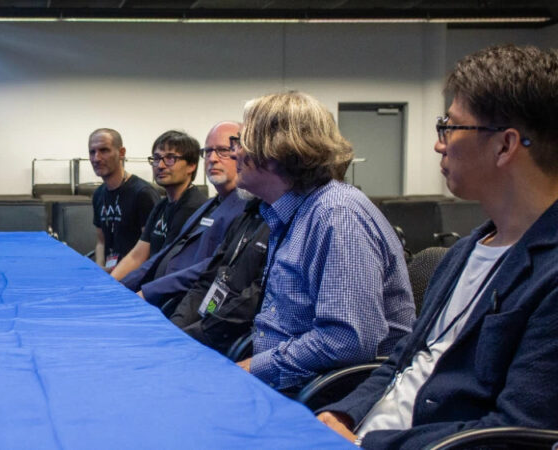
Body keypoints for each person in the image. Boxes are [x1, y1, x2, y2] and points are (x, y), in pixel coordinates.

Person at [317, 44, 558, 449]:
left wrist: (370, 443)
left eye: (450, 127)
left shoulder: (550, 275)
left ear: (505, 145)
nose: (439, 144)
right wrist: (343, 413)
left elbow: (515, 433)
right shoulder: (463, 252)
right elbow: (401, 363)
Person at [230, 91, 415, 391]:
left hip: (321, 394)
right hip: (289, 382)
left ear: (278, 149)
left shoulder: (337, 215)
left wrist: (254, 367)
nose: (235, 154)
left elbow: (347, 341)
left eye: (242, 142)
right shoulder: (294, 212)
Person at [120, 122, 248, 304]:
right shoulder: (211, 205)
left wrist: (147, 293)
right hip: (161, 295)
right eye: (209, 151)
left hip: (184, 302)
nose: (212, 159)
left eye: (223, 151)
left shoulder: (245, 210)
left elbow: (212, 268)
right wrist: (121, 286)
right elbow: (166, 254)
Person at [167, 196, 269, 354]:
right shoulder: (245, 217)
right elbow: (206, 281)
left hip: (233, 340)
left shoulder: (281, 223)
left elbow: (253, 301)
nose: (239, 169)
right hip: (206, 323)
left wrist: (192, 335)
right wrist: (175, 328)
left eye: (246, 168)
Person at [110, 130, 207, 280]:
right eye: (156, 158)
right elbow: (137, 256)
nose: (160, 165)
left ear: (191, 166)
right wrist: (110, 283)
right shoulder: (162, 204)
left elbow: (164, 264)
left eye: (170, 158)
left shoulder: (193, 207)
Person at [89, 128, 160, 272]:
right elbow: (101, 241)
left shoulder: (143, 194)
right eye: (92, 152)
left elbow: (151, 249)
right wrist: (100, 268)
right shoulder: (98, 194)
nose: (96, 158)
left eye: (104, 150)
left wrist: (114, 273)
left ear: (121, 153)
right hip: (110, 274)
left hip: (135, 277)